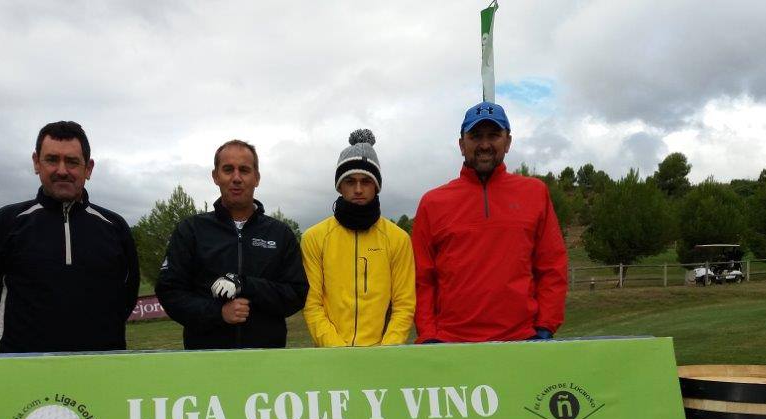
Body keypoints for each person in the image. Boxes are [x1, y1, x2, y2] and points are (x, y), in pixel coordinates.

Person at [0, 121, 139, 353]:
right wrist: (15, 338)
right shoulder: (5, 222)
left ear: (88, 168)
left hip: (103, 365)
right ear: (36, 163)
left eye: (72, 161)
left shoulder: (115, 226)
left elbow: (127, 295)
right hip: (23, 366)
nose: (62, 170)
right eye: (52, 159)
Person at [412, 101, 568, 343]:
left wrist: (545, 326)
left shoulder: (535, 193)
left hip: (521, 341)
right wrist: (429, 335)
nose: (484, 145)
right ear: (462, 144)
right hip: (451, 344)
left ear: (508, 142)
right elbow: (421, 279)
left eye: (494, 135)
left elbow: (552, 266)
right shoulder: (432, 202)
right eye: (475, 136)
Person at [156, 139, 308, 349]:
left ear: (257, 178)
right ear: (216, 176)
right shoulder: (191, 230)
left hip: (267, 362)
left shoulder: (280, 234)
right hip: (206, 362)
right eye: (228, 169)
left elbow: (296, 294)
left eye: (244, 170)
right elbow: (170, 292)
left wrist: (246, 285)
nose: (236, 178)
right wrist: (218, 313)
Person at [301, 130, 414, 347]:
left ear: (377, 186)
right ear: (340, 186)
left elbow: (404, 304)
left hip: (381, 359)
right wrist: (339, 350)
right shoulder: (314, 238)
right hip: (330, 357)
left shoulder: (398, 238)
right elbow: (312, 305)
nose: (359, 189)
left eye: (366, 181)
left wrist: (385, 352)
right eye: (350, 181)